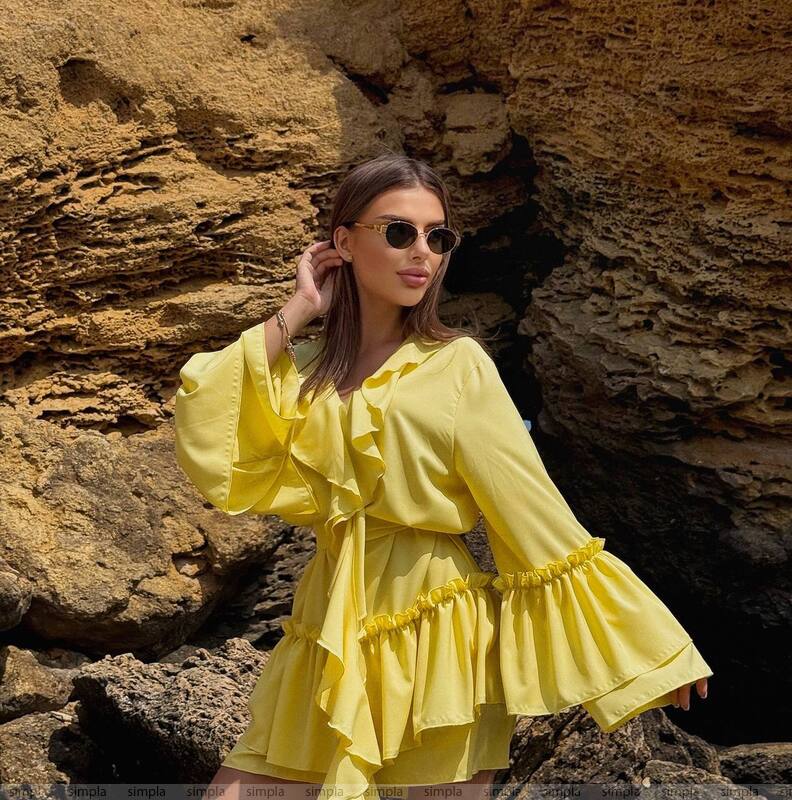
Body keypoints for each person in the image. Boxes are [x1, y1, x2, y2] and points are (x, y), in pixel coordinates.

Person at [174, 154, 711, 800]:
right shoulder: (309, 369)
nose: (421, 252)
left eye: (439, 237)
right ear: (343, 242)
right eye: (398, 231)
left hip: (439, 645)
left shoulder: (460, 367)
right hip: (328, 636)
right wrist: (299, 309)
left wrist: (648, 650)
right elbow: (209, 410)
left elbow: (537, 515)